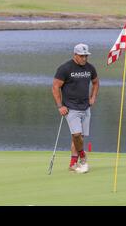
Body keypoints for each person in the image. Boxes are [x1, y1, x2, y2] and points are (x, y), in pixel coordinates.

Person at [52, 43, 99, 173]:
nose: (84, 58)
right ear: (75, 55)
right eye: (82, 56)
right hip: (71, 108)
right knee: (76, 135)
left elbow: (95, 82)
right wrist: (60, 106)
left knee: (79, 138)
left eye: (86, 56)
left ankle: (73, 164)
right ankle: (83, 156)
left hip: (85, 107)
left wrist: (93, 97)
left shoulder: (90, 68)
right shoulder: (65, 68)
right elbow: (55, 87)